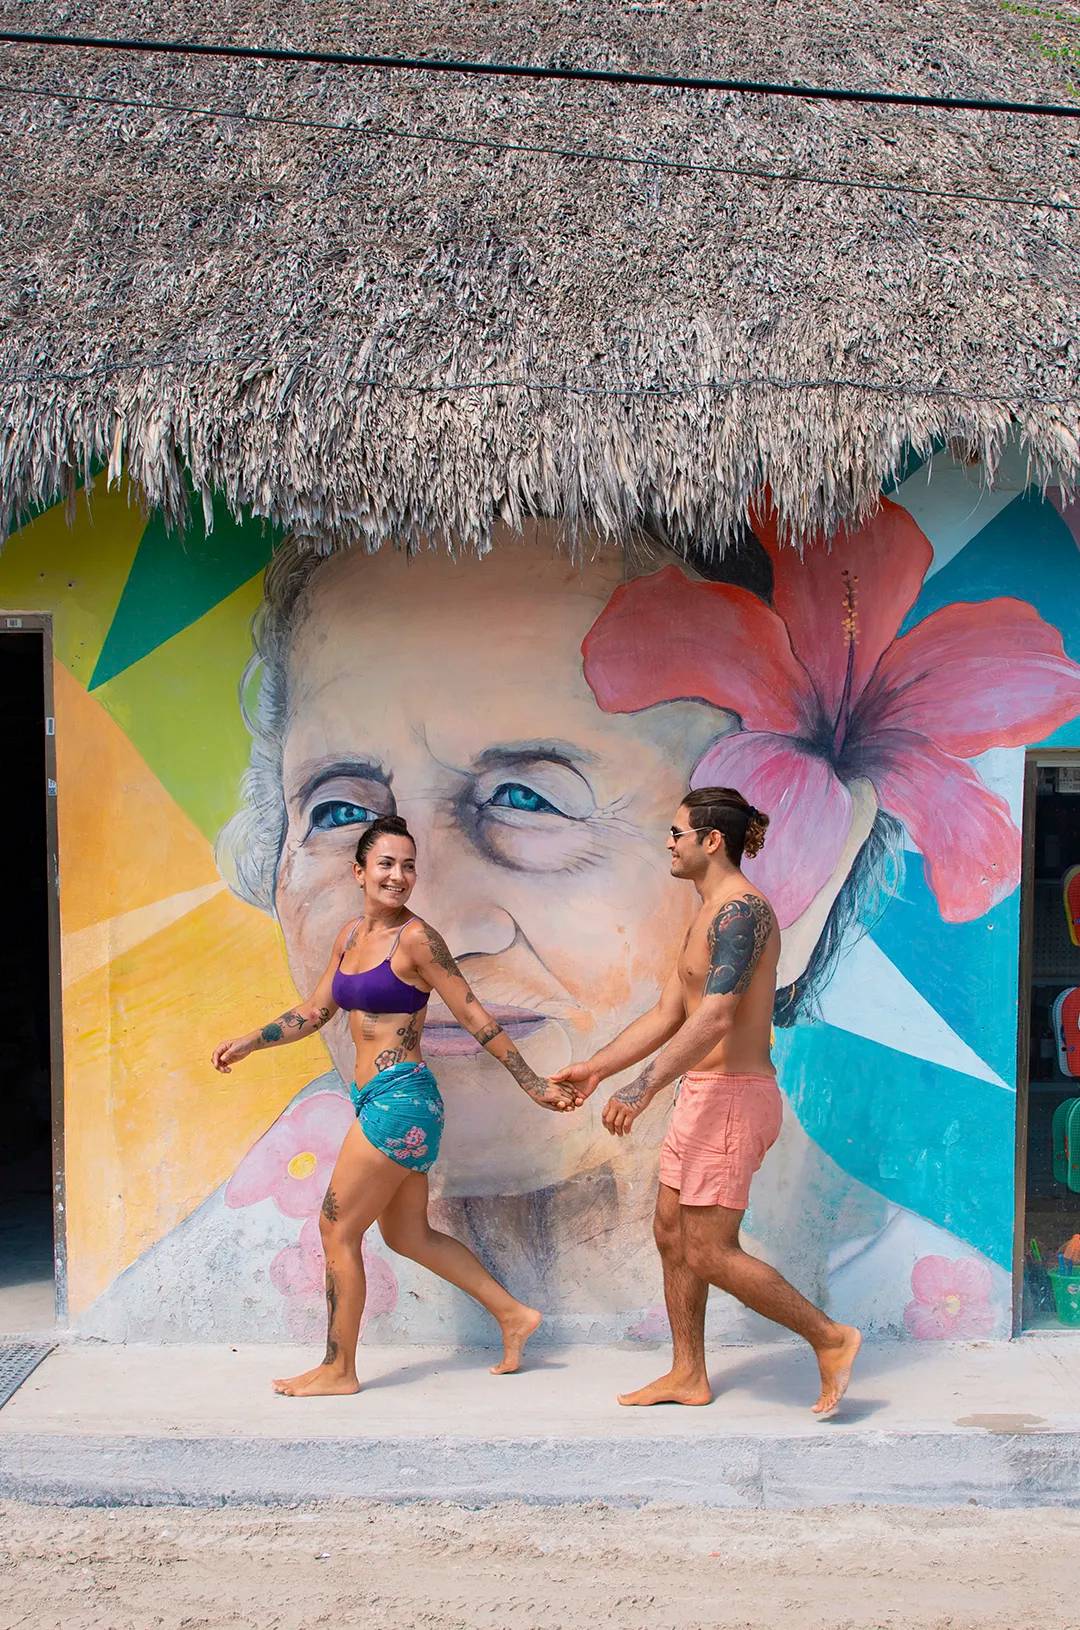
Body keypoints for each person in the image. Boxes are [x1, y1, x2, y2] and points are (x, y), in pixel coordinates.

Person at [211, 813, 578, 1395]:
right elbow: (315, 1010)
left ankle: (339, 1369)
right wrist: (251, 1042)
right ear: (359, 872)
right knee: (409, 1236)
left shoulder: (418, 939)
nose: (399, 876)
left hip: (401, 1100)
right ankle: (514, 1314)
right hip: (375, 1101)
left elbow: (474, 1014)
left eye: (408, 866)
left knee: (336, 1231)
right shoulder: (350, 938)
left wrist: (531, 1082)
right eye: (387, 864)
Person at [554, 786, 862, 1417]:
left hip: (732, 1099)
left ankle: (830, 1339)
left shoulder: (741, 913)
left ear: (709, 840)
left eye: (676, 833)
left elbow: (717, 1016)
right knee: (672, 1234)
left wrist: (641, 1089)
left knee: (709, 1249)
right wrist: (597, 1066)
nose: (669, 843)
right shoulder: (707, 911)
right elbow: (671, 1012)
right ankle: (688, 1373)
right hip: (704, 1094)